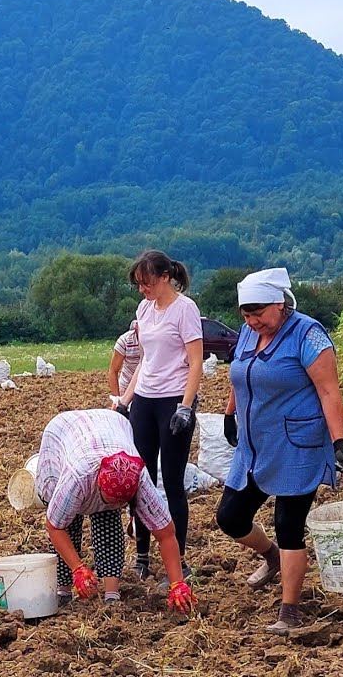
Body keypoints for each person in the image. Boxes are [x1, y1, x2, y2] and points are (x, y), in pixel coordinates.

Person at [213, 268, 343, 635]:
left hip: (297, 443)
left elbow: (329, 391)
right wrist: (229, 413)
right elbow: (241, 373)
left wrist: (339, 441)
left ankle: (289, 610)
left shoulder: (308, 335)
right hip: (255, 444)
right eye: (246, 314)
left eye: (258, 313)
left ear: (280, 303)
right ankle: (272, 556)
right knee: (230, 517)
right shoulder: (249, 331)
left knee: (288, 525)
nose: (252, 321)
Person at [35, 409, 195, 612]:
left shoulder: (140, 478)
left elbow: (166, 534)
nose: (116, 504)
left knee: (108, 520)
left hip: (112, 425)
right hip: (64, 433)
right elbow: (55, 526)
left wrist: (177, 584)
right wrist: (78, 568)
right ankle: (64, 590)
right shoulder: (77, 478)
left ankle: (112, 595)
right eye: (111, 499)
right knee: (69, 520)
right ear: (99, 485)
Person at [116, 250, 204, 585]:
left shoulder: (185, 310)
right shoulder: (144, 310)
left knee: (173, 482)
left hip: (173, 401)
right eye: (139, 285)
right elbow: (145, 360)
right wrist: (125, 400)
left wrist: (186, 405)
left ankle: (178, 562)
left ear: (166, 277)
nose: (143, 290)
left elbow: (195, 362)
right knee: (140, 482)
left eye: (147, 282)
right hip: (145, 401)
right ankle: (141, 556)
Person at [107, 320, 140, 415]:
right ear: (136, 328)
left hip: (145, 388)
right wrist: (117, 398)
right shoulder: (125, 341)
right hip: (126, 387)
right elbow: (113, 370)